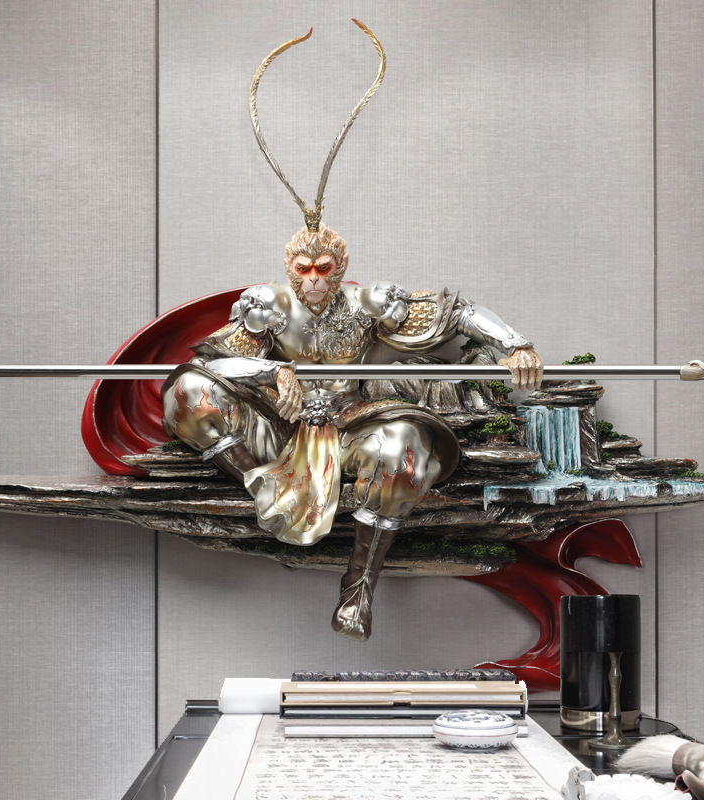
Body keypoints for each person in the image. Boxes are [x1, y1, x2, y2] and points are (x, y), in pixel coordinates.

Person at [161, 22, 543, 640]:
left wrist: (514, 342)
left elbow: (454, 309)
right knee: (184, 394)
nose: (313, 278)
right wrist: (272, 370)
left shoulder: (368, 302)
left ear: (339, 267)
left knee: (405, 450)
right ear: (289, 267)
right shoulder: (266, 305)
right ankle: (261, 489)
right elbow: (211, 369)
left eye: (324, 268)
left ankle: (359, 585)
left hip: (351, 424)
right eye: (303, 268)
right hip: (281, 430)